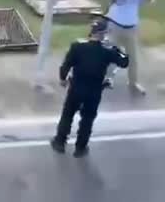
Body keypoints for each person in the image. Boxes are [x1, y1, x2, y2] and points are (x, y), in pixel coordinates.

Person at [50, 19, 130, 158]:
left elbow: (66, 65)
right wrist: (121, 50)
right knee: (87, 119)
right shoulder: (108, 51)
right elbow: (124, 63)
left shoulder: (77, 46)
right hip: (94, 91)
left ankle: (60, 142)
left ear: (91, 31)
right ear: (104, 33)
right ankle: (80, 148)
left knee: (67, 114)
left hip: (76, 88)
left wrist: (62, 79)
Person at [105, 0, 152, 95]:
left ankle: (133, 83)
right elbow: (118, 1)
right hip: (115, 26)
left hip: (131, 28)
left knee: (133, 59)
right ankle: (107, 79)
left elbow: (150, 0)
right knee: (111, 55)